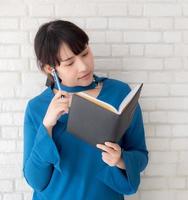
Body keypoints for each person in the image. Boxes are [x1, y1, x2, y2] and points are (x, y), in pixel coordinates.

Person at [23, 20, 148, 200]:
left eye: (85, 53)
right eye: (69, 63)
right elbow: (35, 180)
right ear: (51, 69)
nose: (83, 66)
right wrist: (47, 126)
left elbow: (140, 154)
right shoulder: (37, 108)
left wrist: (120, 160)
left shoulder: (119, 94)